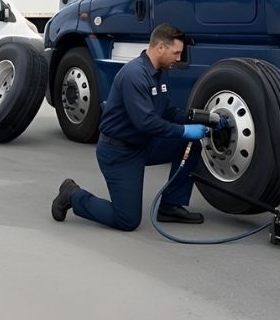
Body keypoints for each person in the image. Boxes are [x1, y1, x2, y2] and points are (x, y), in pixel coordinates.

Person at [51, 22, 214, 229]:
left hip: (144, 144)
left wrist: (201, 118)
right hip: (119, 152)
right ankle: (73, 195)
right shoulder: (134, 75)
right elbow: (146, 122)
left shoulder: (161, 72)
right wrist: (184, 130)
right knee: (127, 220)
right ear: (160, 48)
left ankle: (170, 206)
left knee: (190, 146)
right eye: (176, 53)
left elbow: (167, 112)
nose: (179, 58)